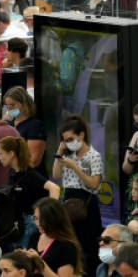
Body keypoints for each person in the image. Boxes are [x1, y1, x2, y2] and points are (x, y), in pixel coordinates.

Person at [54, 114, 103, 276]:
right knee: (69, 246)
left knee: (88, 248)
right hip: (68, 202)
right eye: (65, 140)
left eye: (70, 139)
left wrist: (75, 167)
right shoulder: (67, 154)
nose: (68, 143)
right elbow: (55, 175)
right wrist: (59, 153)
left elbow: (94, 184)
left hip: (86, 205)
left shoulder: (93, 156)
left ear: (81, 135)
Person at [0, 137, 61, 249]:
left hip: (30, 223)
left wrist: (48, 214)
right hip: (18, 223)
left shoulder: (30, 175)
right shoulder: (12, 173)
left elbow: (54, 188)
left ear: (11, 153)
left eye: (1, 154)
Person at [21, 198, 82, 277]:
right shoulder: (35, 236)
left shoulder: (66, 246)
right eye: (35, 218)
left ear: (53, 219)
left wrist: (40, 262)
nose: (38, 223)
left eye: (42, 220)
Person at [4, 87, 48, 177]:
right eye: (7, 106)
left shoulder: (35, 126)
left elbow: (33, 160)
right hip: (12, 176)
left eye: (12, 105)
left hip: (30, 178)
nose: (9, 109)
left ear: (24, 104)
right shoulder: (8, 123)